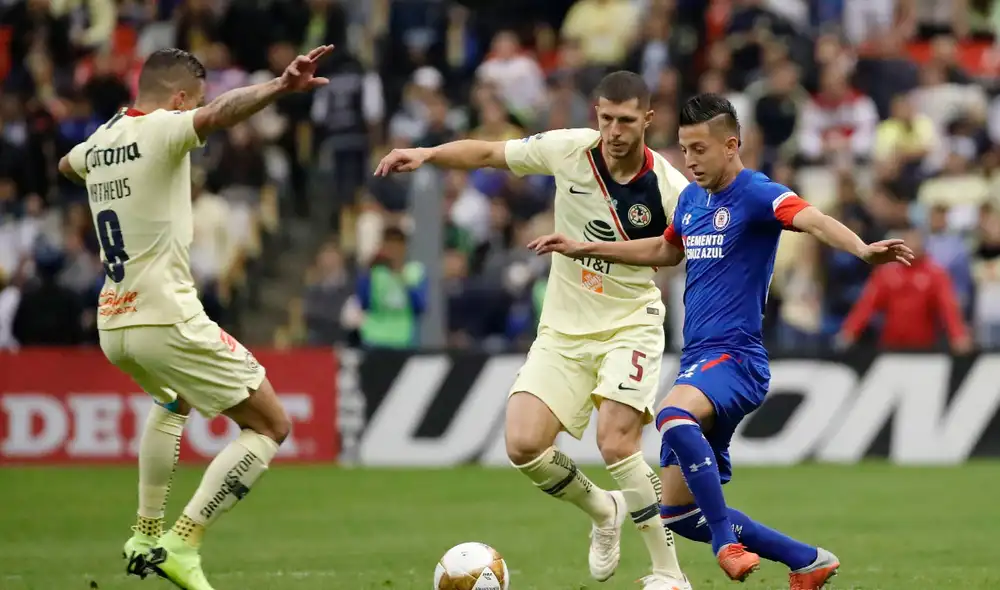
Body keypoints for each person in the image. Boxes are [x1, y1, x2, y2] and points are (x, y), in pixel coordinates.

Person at [527, 93, 913, 590]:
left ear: (731, 145)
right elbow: (665, 251)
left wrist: (861, 248)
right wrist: (585, 246)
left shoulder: (756, 193)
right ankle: (810, 560)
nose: (689, 160)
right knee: (678, 513)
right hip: (700, 359)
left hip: (737, 357)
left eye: (699, 149)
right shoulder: (690, 199)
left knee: (671, 415)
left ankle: (725, 542)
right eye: (684, 150)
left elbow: (811, 217)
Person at [375, 71, 692, 590]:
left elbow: (672, 251)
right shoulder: (568, 150)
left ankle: (668, 573)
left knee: (616, 443)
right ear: (596, 114)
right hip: (563, 330)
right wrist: (428, 153)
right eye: (606, 118)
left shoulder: (668, 186)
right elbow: (488, 155)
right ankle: (602, 509)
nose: (614, 130)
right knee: (523, 444)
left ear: (648, 121)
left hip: (630, 324)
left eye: (626, 121)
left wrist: (587, 248)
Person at [57, 44, 335, 590]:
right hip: (166, 314)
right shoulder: (162, 128)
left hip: (114, 321)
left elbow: (68, 166)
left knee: (171, 401)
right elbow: (222, 112)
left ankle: (145, 532)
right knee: (270, 425)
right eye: (193, 103)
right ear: (179, 98)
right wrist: (280, 87)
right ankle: (183, 541)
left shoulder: (102, 140)